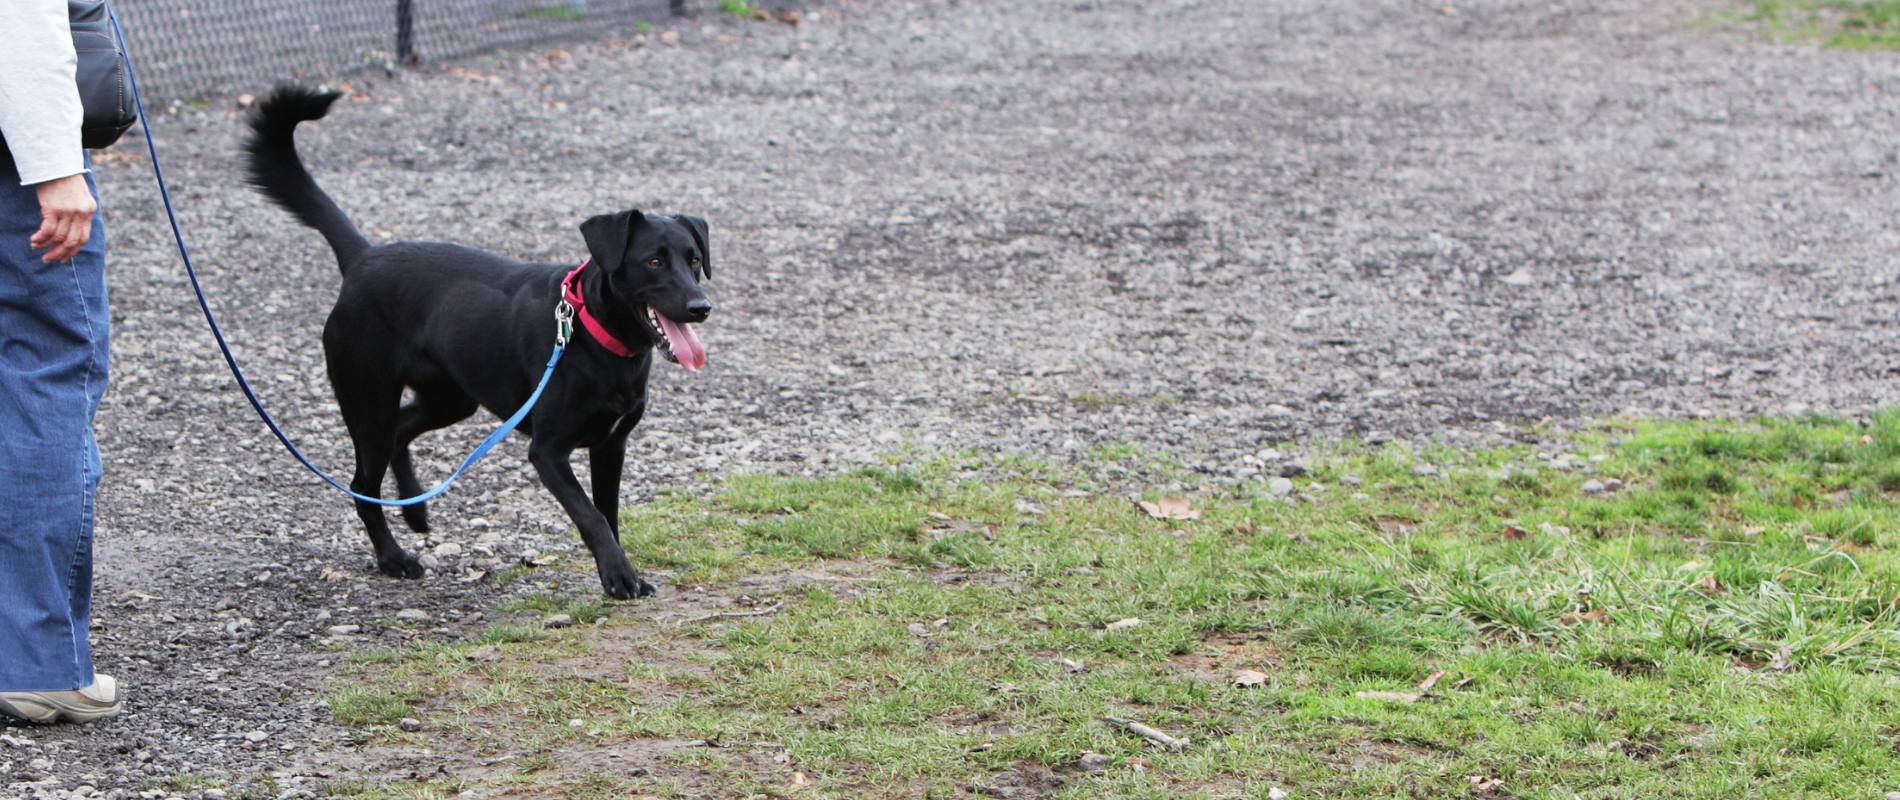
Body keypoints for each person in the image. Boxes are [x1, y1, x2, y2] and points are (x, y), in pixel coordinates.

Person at [0, 0, 124, 724]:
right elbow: (18, 17)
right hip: (15, 161)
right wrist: (54, 167)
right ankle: (35, 662)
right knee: (47, 370)